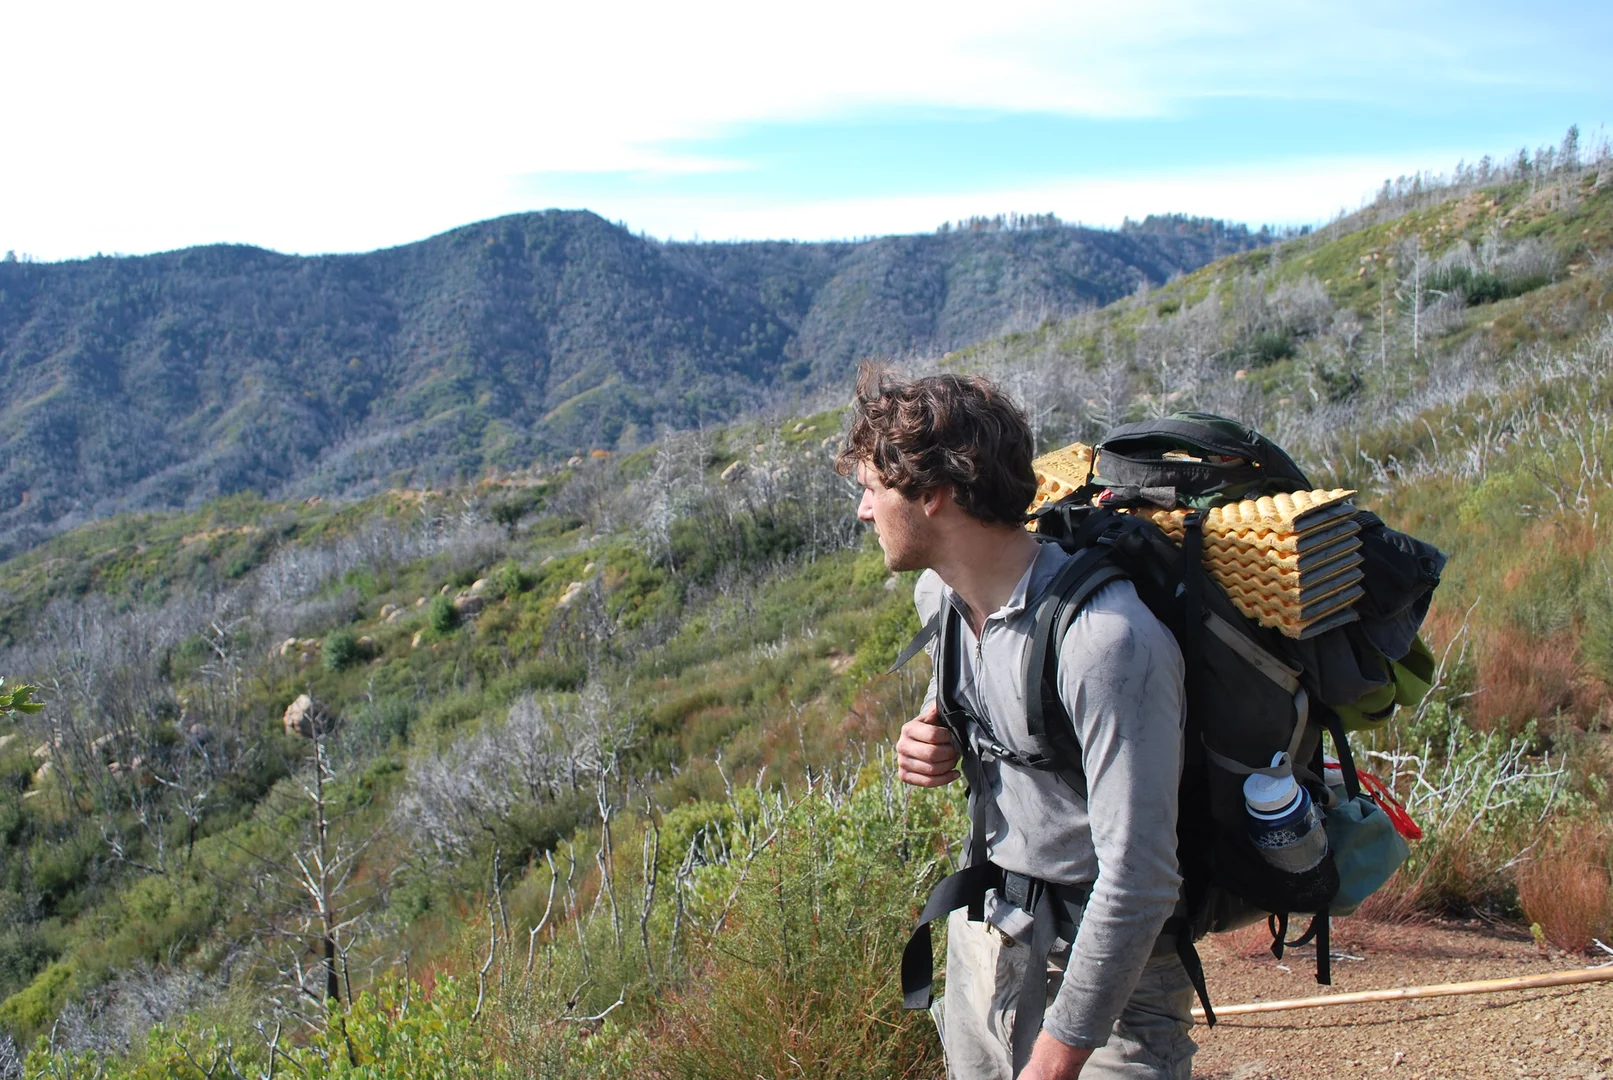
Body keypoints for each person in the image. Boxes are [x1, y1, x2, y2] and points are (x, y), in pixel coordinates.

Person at [835, 365, 1196, 1080]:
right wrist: (932, 739)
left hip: (1107, 987)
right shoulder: (936, 599)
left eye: (872, 491)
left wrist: (1057, 1056)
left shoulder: (1106, 642)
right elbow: (995, 714)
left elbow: (1141, 878)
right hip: (983, 941)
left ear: (933, 495)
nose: (863, 513)